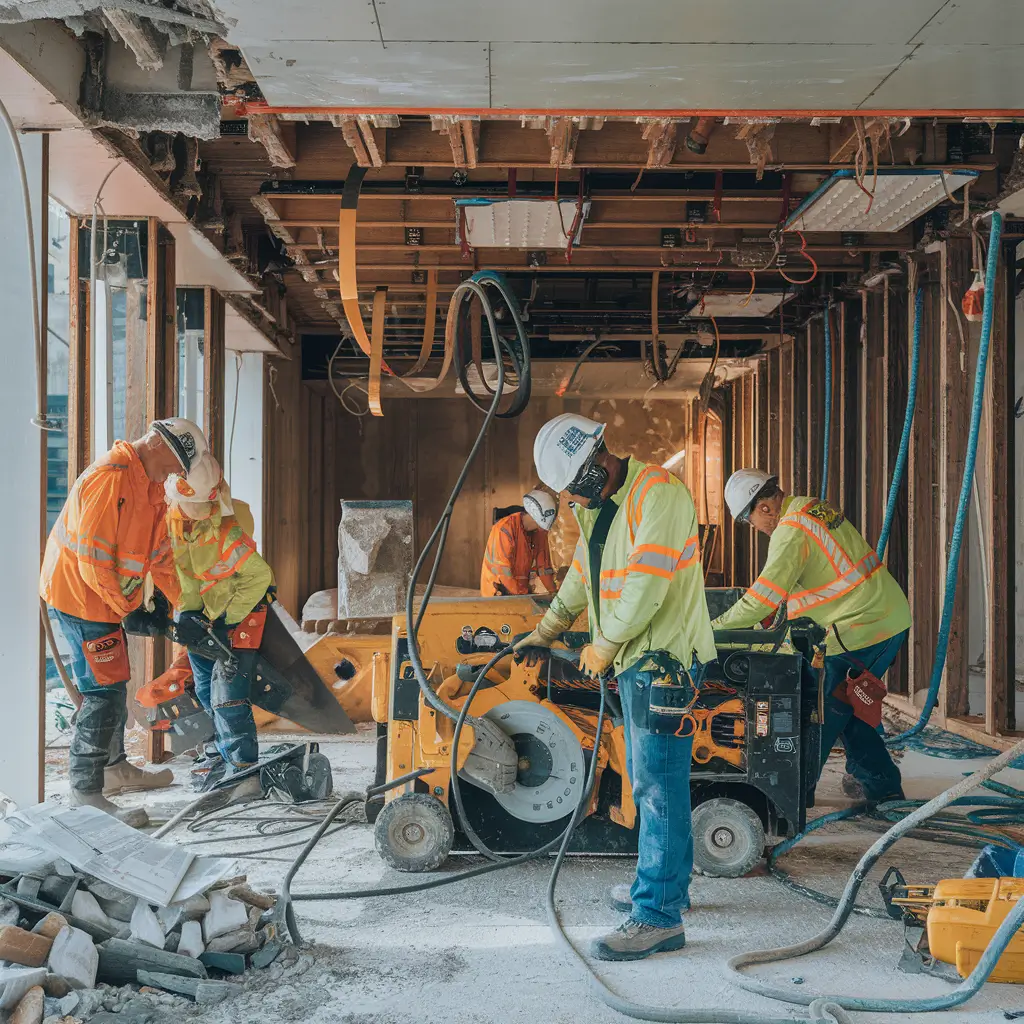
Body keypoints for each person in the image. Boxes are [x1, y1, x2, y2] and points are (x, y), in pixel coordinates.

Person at [514, 413, 716, 961]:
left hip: (664, 662)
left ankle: (657, 915)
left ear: (590, 466)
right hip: (637, 662)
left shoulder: (659, 494)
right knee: (654, 781)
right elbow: (582, 575)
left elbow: (648, 585)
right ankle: (666, 889)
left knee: (657, 785)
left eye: (572, 490)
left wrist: (602, 647)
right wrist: (547, 628)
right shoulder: (602, 510)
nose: (572, 502)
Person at [40, 419, 209, 827]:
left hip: (103, 599)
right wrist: (127, 607)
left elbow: (161, 557)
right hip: (80, 597)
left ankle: (113, 767)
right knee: (104, 691)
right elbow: (92, 563)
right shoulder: (107, 481)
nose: (174, 475)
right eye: (174, 465)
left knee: (114, 681)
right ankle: (85, 791)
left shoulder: (149, 488)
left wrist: (189, 606)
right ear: (156, 443)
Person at [713, 469, 910, 803]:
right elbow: (818, 574)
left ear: (764, 508)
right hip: (875, 617)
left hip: (863, 628)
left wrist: (713, 628)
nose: (755, 529)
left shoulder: (789, 532)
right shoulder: (807, 508)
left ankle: (790, 798)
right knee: (847, 710)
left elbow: (761, 600)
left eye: (749, 521)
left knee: (820, 713)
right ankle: (884, 790)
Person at [164, 452, 274, 790]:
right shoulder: (173, 522)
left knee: (228, 694)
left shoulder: (228, 530)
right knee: (202, 688)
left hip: (239, 616)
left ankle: (243, 769)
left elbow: (259, 577)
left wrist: (227, 623)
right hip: (205, 618)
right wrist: (192, 612)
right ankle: (218, 755)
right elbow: (188, 574)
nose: (192, 514)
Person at [480, 489, 559, 597]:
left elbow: (543, 567)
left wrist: (554, 594)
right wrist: (521, 595)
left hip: (519, 592)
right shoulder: (504, 529)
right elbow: (503, 573)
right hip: (497, 593)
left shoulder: (539, 532)